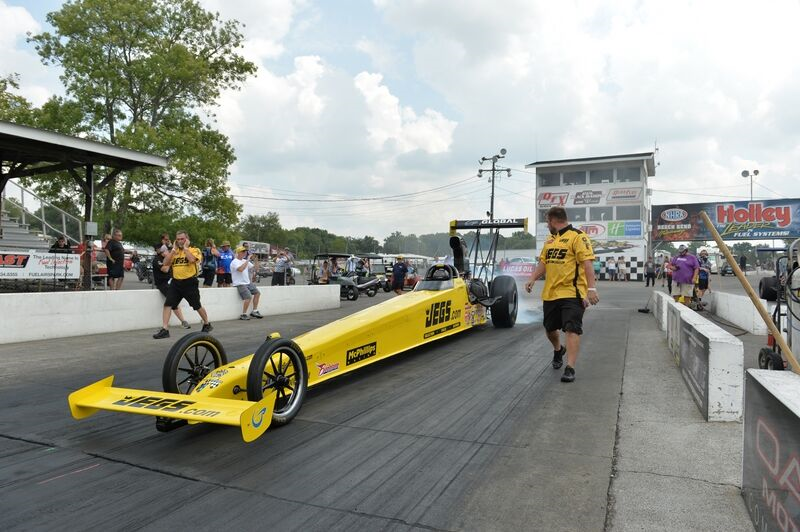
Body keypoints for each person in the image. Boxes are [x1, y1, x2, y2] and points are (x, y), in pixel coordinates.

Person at [524, 206, 598, 383]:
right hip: (550, 293)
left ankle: (570, 367)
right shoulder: (550, 240)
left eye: (547, 222)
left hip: (573, 293)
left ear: (552, 220)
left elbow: (587, 264)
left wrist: (592, 289)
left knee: (572, 328)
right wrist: (532, 278)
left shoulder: (578, 237)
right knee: (550, 329)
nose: (547, 225)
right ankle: (558, 349)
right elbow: (544, 262)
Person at [153, 230, 212, 339]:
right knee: (168, 305)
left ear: (187, 239)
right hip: (176, 282)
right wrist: (173, 250)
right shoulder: (174, 252)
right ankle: (165, 329)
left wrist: (185, 248)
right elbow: (165, 263)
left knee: (196, 305)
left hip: (189, 282)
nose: (180, 241)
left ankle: (207, 323)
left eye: (182, 239)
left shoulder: (194, 250)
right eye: (178, 239)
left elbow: (192, 260)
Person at [151, 243, 190, 329]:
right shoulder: (157, 259)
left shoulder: (168, 258)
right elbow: (164, 270)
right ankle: (182, 321)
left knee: (174, 300)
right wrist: (170, 260)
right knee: (172, 301)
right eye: (167, 251)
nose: (169, 252)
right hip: (162, 283)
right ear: (163, 252)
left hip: (171, 282)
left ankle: (182, 321)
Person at [231, 245, 263, 320]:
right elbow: (241, 269)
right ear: (238, 253)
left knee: (257, 293)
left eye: (245, 252)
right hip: (239, 283)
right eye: (243, 252)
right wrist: (248, 259)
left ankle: (254, 311)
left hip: (247, 282)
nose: (245, 253)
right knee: (248, 297)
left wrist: (256, 260)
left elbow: (256, 268)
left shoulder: (245, 261)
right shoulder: (234, 262)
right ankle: (244, 314)